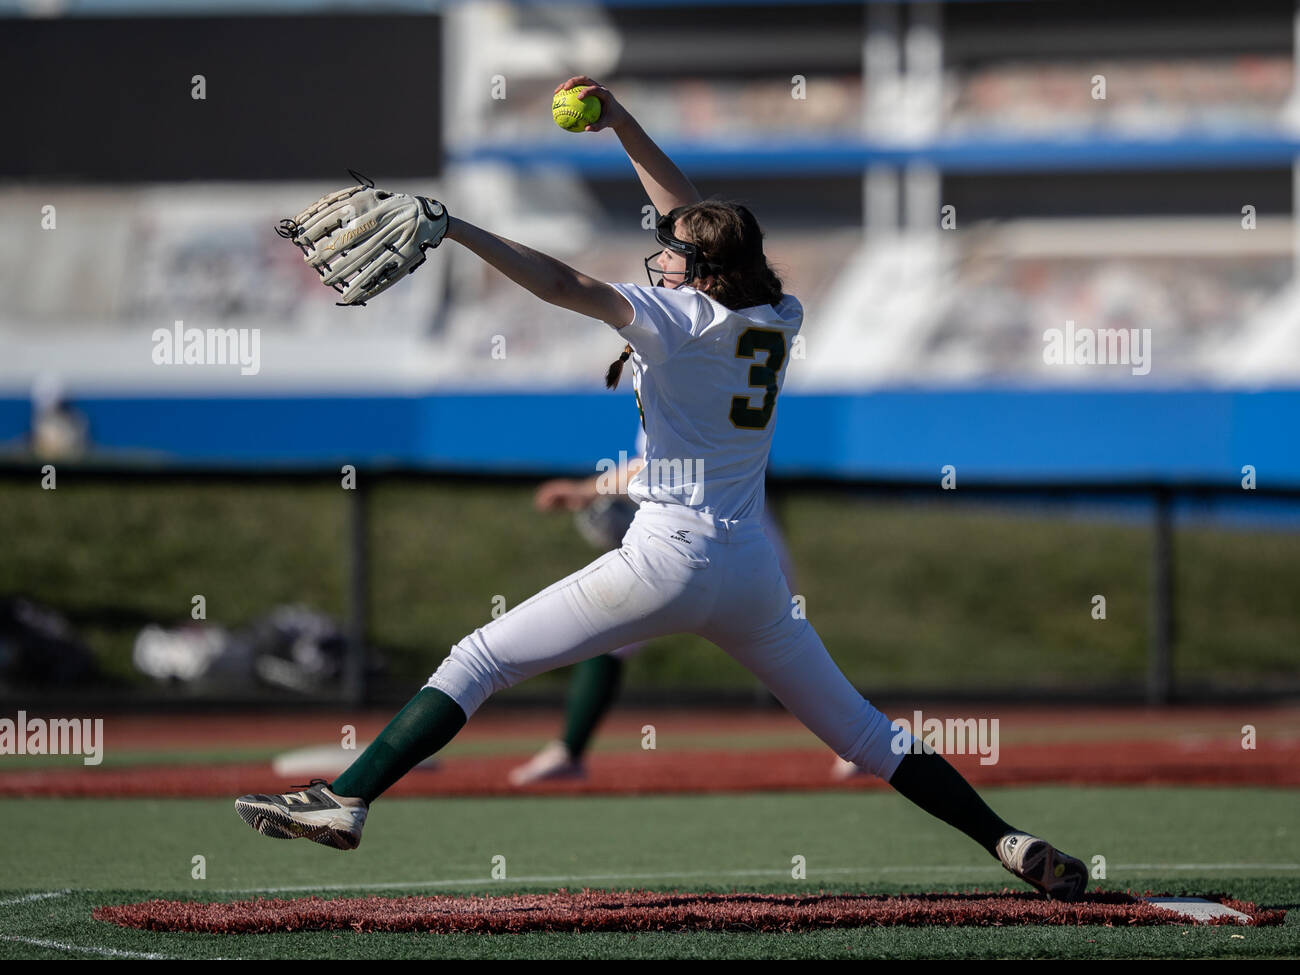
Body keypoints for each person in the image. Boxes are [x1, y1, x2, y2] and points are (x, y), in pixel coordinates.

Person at [236, 75, 1087, 902]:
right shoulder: (775, 315)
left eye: (675, 257)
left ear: (703, 273)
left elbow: (567, 285)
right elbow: (690, 213)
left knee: (479, 659)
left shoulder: (679, 319)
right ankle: (1003, 839)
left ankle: (349, 798)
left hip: (666, 558)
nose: (663, 259)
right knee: (868, 734)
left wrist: (458, 228)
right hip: (753, 574)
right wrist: (621, 121)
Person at [509, 427, 799, 787]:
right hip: (733, 540)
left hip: (718, 541)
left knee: (790, 656)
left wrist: (585, 491)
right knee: (791, 656)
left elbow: (660, 468)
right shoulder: (712, 379)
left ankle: (866, 742)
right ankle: (569, 750)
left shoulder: (684, 383)